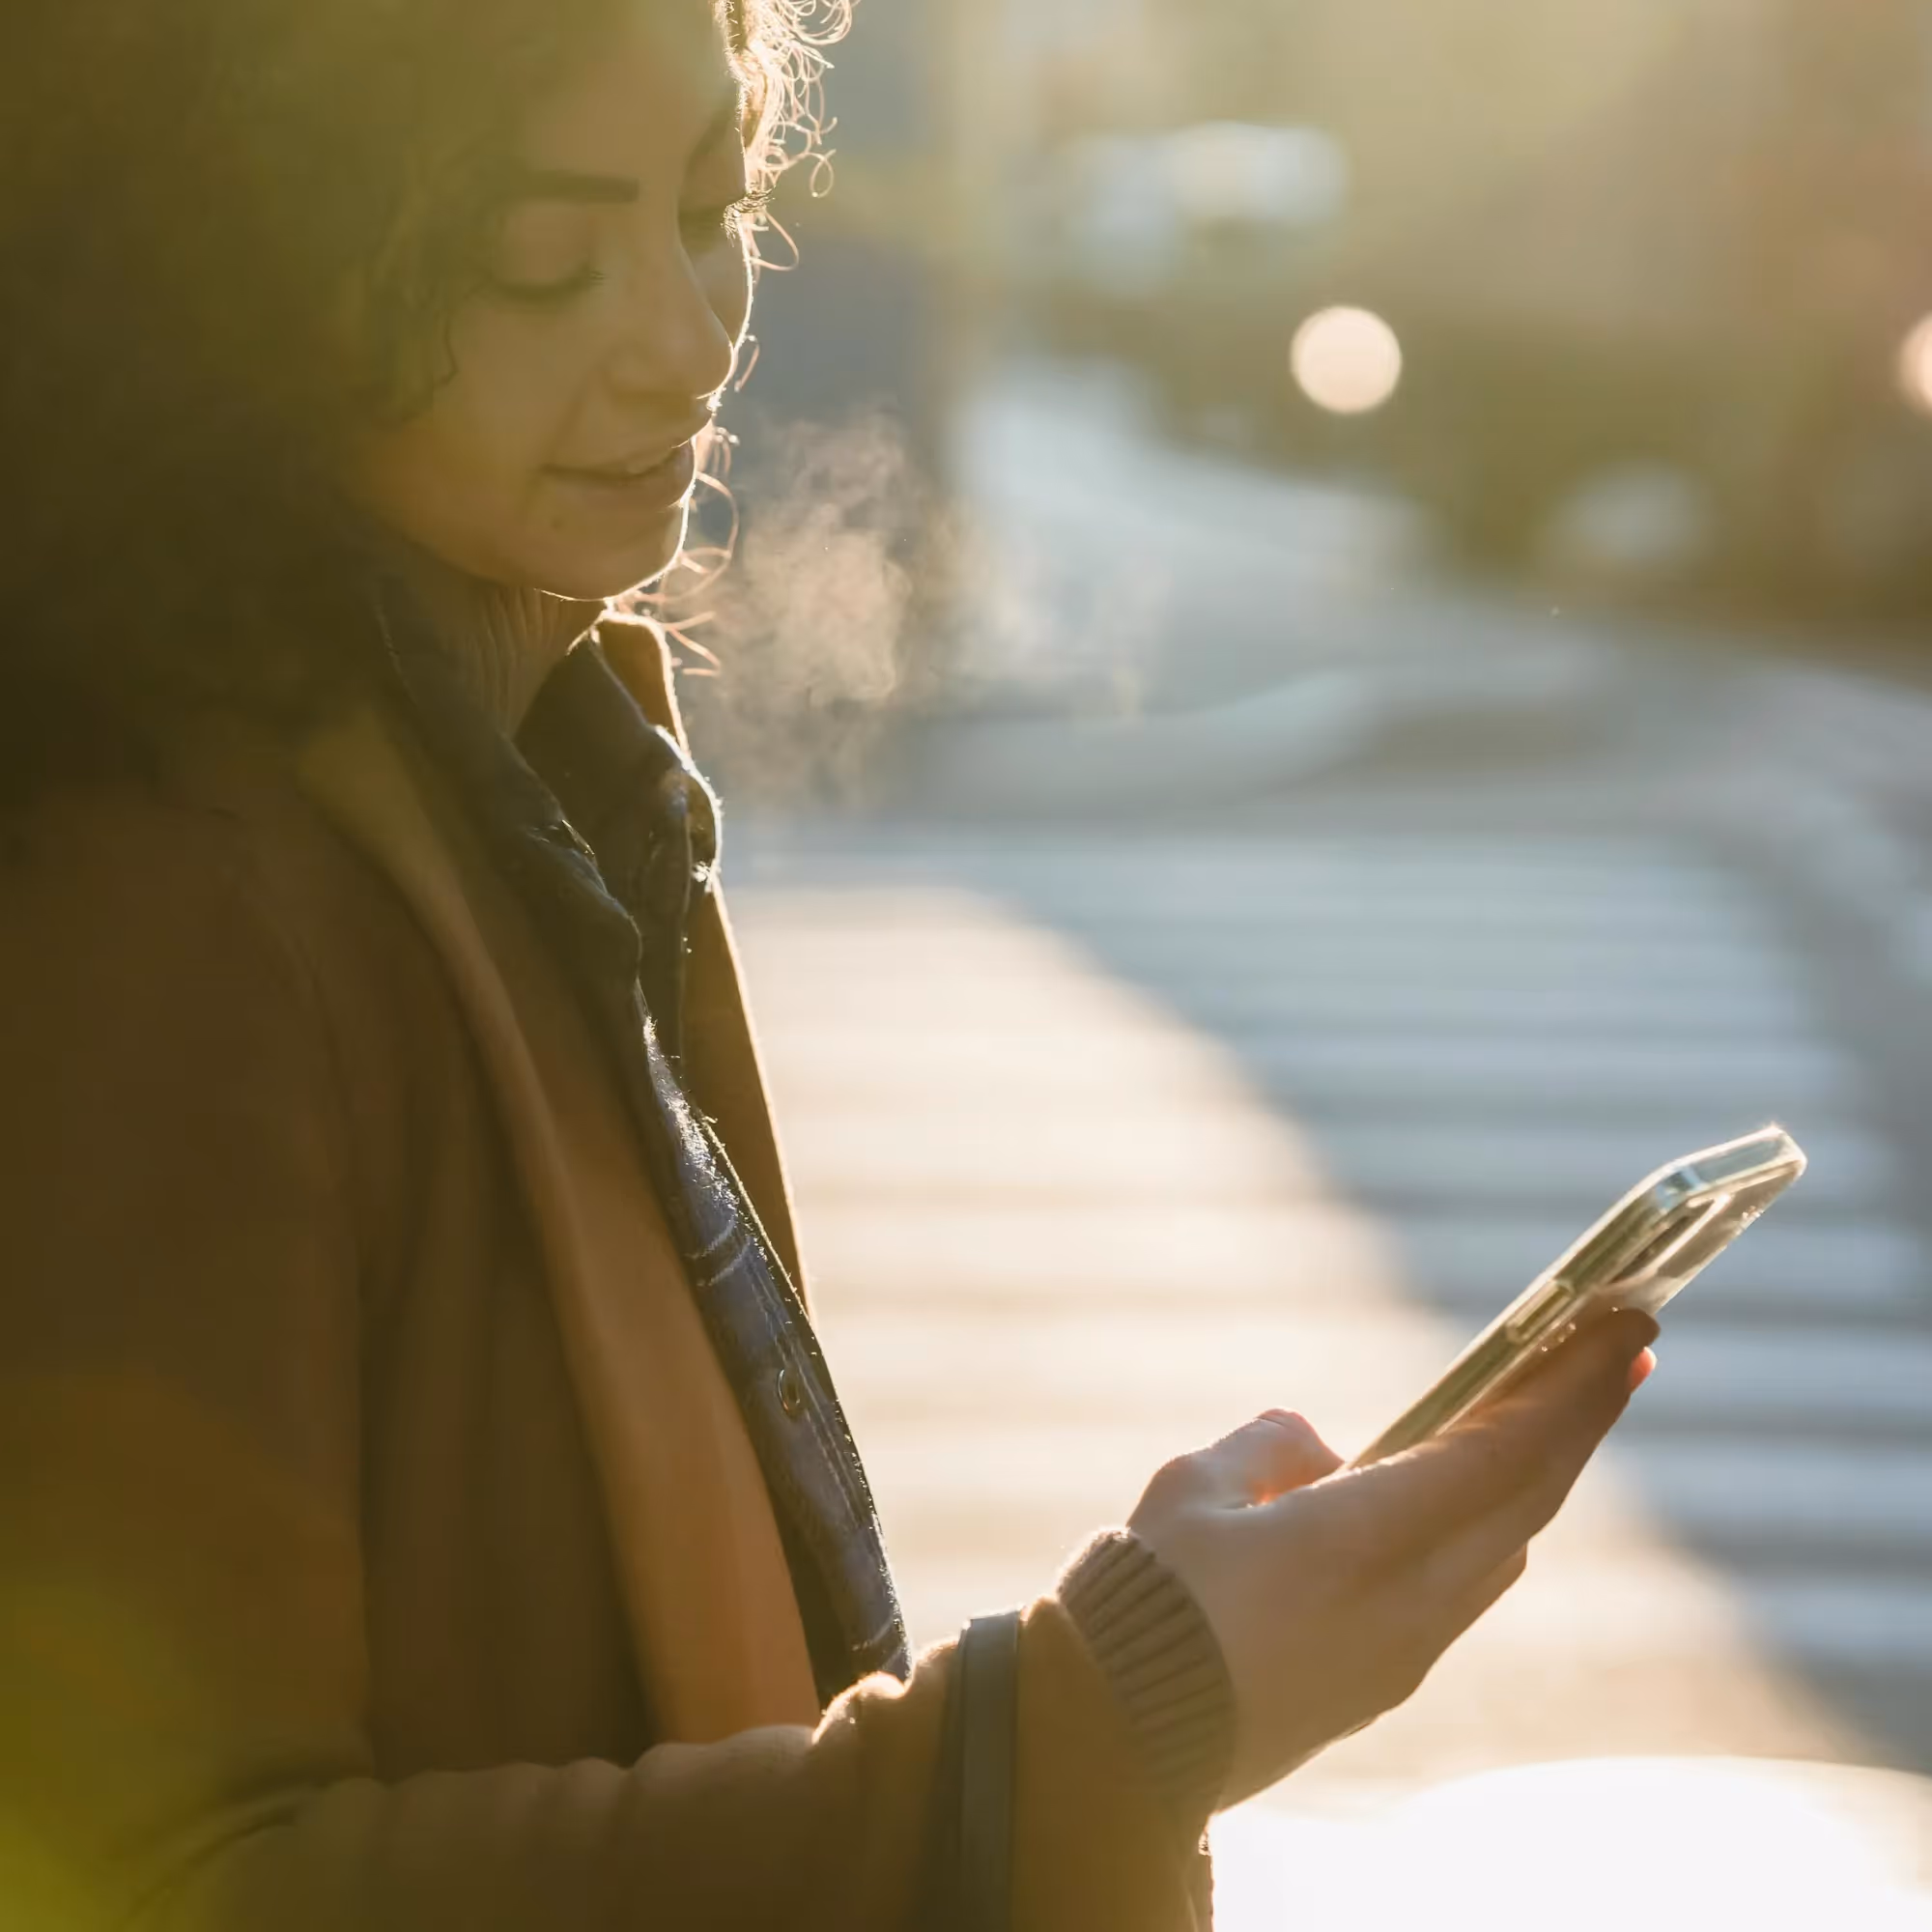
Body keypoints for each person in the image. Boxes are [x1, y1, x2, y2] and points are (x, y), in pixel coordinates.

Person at [0, 0, 1659, 1924]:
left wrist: (1125, 1693)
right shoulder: (171, 909)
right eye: (544, 254)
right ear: (256, 274)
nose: (689, 326)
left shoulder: (554, 772)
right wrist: (1112, 1717)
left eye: (715, 203)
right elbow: (168, 1881)